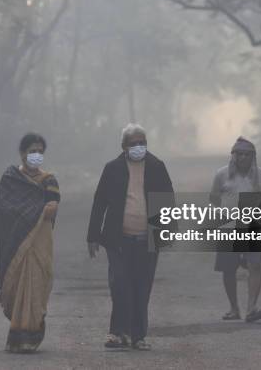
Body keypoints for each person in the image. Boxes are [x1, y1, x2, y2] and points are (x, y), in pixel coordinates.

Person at [87, 123, 174, 351]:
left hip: (146, 238)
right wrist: (93, 236)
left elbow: (167, 201)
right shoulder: (113, 168)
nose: (139, 147)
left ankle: (138, 336)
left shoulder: (156, 166)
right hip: (118, 239)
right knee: (120, 284)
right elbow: (99, 203)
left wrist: (167, 233)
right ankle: (117, 332)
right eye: (134, 143)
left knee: (141, 287)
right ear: (124, 146)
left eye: (142, 143)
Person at [0, 133, 59, 353]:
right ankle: (17, 335)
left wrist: (46, 209)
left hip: (39, 242)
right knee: (17, 284)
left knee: (36, 284)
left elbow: (52, 205)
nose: (36, 155)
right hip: (14, 243)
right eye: (32, 151)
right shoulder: (10, 179)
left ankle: (30, 335)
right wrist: (33, 212)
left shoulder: (49, 179)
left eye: (40, 151)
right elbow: (2, 211)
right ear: (22, 153)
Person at [210, 136, 261, 323]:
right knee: (229, 269)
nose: (243, 158)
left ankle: (251, 308)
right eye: (239, 154)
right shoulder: (221, 175)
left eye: (247, 154)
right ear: (233, 156)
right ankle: (233, 308)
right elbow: (213, 197)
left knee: (254, 264)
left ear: (253, 156)